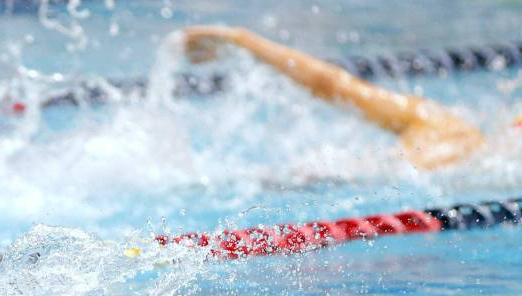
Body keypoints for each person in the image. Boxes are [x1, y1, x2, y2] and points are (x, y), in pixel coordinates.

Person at [179, 25, 491, 171]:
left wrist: (243, 41)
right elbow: (332, 84)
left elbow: (334, 85)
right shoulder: (454, 138)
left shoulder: (441, 125)